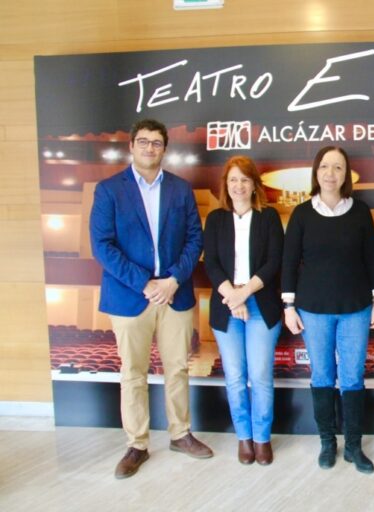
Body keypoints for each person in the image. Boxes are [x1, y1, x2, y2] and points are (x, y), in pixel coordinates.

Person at [90, 119, 212, 480]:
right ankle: (137, 444)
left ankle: (180, 434)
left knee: (177, 367)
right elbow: (102, 246)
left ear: (164, 149)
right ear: (131, 146)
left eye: (156, 143)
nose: (149, 148)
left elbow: (195, 240)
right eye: (143, 142)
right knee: (133, 373)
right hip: (130, 297)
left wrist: (173, 279)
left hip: (174, 294)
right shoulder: (109, 190)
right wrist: (145, 283)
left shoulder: (180, 189)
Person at [281, 146, 374, 474]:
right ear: (316, 172)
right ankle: (327, 442)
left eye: (337, 167)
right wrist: (288, 306)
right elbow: (288, 263)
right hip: (313, 310)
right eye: (324, 166)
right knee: (322, 376)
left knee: (352, 378)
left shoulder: (360, 212)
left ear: (346, 174)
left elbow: (372, 258)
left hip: (356, 309)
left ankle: (354, 445)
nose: (330, 173)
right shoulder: (301, 214)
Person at [203, 156, 283, 466]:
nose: (238, 185)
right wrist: (232, 298)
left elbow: (274, 262)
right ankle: (244, 438)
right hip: (225, 305)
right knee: (235, 377)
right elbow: (211, 263)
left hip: (260, 302)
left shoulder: (269, 218)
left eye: (245, 180)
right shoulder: (216, 219)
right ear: (226, 184)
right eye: (233, 179)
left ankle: (262, 439)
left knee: (260, 375)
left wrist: (243, 295)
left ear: (254, 186)